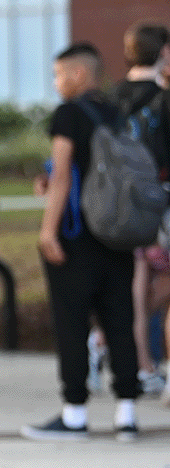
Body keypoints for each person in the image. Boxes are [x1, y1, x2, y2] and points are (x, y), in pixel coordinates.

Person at [22, 43, 141, 441]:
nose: (56, 82)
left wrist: (47, 231)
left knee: (72, 322)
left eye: (58, 74)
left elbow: (64, 176)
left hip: (77, 236)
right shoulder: (115, 112)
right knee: (120, 320)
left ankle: (74, 414)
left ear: (76, 74)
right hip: (118, 233)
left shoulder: (68, 114)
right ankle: (127, 414)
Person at [114, 21, 170, 397]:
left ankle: (136, 362)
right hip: (160, 197)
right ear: (162, 52)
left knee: (134, 283)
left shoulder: (112, 96)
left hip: (120, 203)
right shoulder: (163, 98)